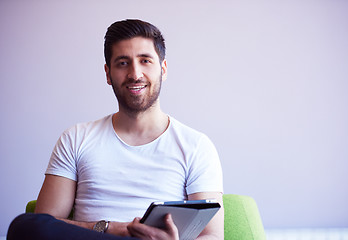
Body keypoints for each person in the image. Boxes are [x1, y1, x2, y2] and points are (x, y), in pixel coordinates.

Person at [7, 19, 223, 240]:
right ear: (108, 73)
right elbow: (45, 224)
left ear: (163, 69)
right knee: (24, 225)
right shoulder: (75, 138)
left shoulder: (196, 146)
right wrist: (109, 227)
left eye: (145, 60)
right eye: (122, 63)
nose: (135, 74)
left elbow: (212, 236)